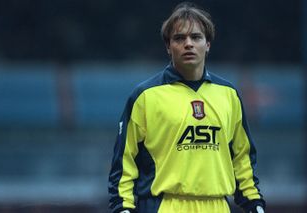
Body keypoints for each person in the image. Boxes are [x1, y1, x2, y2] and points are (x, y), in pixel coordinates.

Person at [108, 2, 266, 213]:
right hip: (164, 205)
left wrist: (254, 204)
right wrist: (122, 208)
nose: (188, 44)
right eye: (179, 38)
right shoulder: (145, 96)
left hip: (218, 205)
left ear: (208, 44)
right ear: (168, 47)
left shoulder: (229, 95)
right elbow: (124, 162)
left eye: (196, 37)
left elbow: (242, 159)